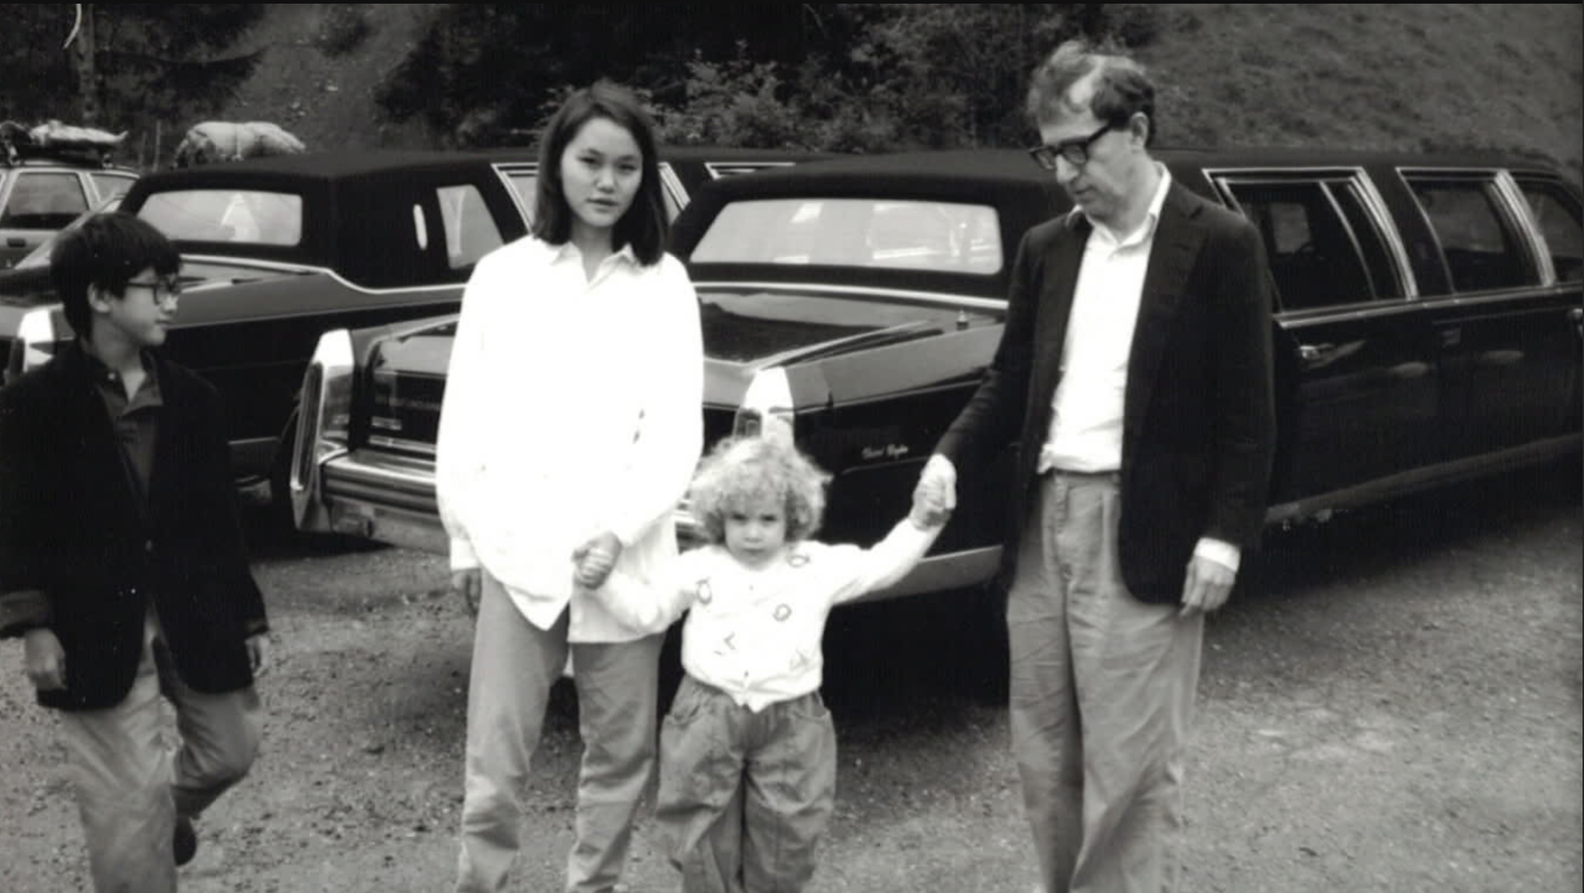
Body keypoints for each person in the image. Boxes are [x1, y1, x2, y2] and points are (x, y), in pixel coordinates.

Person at [914, 39, 1277, 893]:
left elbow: (1250, 409)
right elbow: (1011, 377)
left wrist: (1224, 537)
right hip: (1044, 519)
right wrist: (950, 454)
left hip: (1146, 523)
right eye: (1051, 152)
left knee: (1133, 760)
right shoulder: (1048, 246)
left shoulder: (1219, 242)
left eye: (1080, 146)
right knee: (1044, 751)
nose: (1065, 169)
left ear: (1137, 129)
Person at [435, 80, 704, 893]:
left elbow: (675, 430)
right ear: (556, 163)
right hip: (519, 552)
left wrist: (620, 529)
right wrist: (465, 543)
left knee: (621, 753)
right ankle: (482, 882)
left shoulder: (666, 285)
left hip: (624, 561)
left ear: (643, 177)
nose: (606, 181)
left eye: (626, 166)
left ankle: (593, 885)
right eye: (590, 160)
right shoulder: (502, 277)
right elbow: (467, 420)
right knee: (496, 754)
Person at [0, 212, 271, 891]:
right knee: (125, 829)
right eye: (159, 287)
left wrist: (248, 614)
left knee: (233, 748)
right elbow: (17, 520)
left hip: (193, 610)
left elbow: (220, 520)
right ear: (99, 296)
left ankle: (158, 815)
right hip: (91, 625)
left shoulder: (195, 400)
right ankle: (137, 835)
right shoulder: (33, 404)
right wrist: (34, 623)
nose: (173, 302)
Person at [584, 434, 950, 893]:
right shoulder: (700, 566)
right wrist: (603, 582)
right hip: (707, 714)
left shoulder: (815, 566)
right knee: (700, 834)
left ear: (793, 516)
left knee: (789, 837)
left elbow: (881, 566)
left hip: (793, 718)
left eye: (767, 519)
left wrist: (922, 523)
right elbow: (648, 611)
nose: (752, 533)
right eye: (739, 519)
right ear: (718, 515)